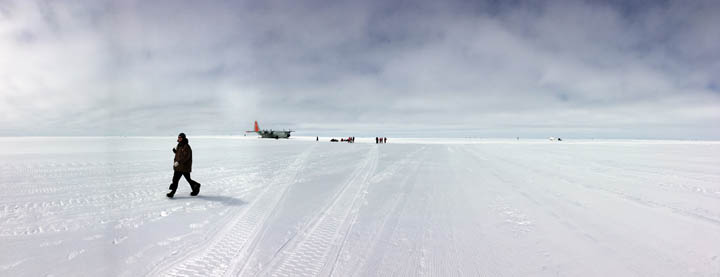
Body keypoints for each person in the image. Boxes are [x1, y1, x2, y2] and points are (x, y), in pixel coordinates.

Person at [167, 133, 201, 198]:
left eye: (180, 137)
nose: (179, 138)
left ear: (183, 138)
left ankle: (196, 186)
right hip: (179, 167)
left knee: (182, 179)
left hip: (184, 167)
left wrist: (178, 162)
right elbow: (180, 154)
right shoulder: (179, 145)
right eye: (178, 137)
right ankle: (172, 192)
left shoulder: (186, 146)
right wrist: (175, 151)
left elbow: (186, 157)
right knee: (176, 179)